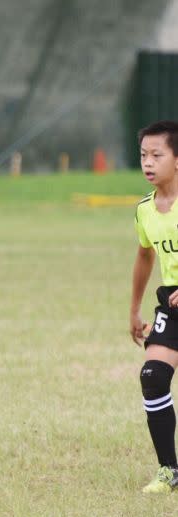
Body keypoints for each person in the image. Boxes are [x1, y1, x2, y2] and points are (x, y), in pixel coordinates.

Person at [130, 120, 178, 494]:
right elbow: (145, 256)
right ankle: (169, 470)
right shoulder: (145, 209)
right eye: (144, 155)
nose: (148, 162)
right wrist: (134, 310)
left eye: (157, 155)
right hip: (172, 302)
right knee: (153, 376)